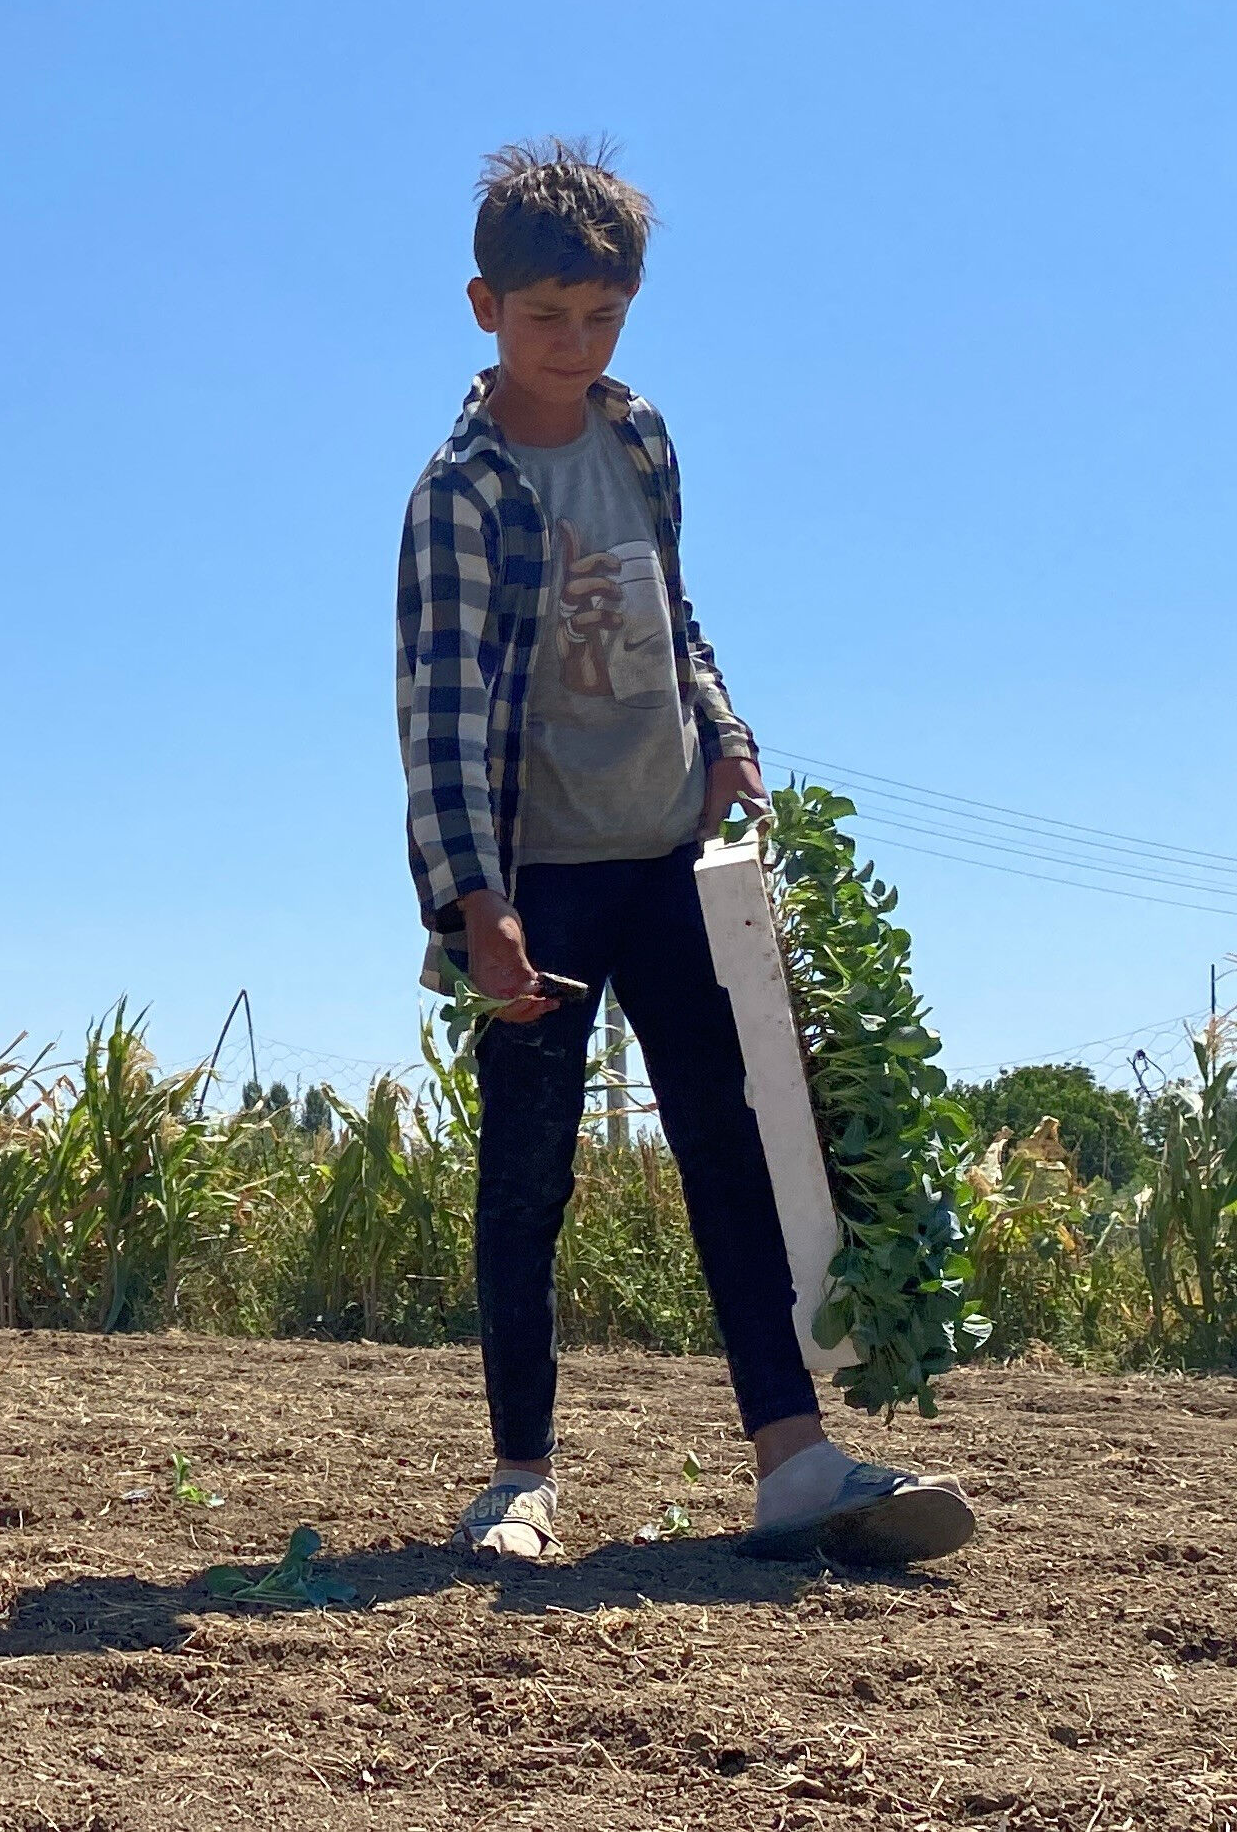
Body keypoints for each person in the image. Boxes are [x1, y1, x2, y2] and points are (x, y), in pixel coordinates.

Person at [394, 139, 974, 1568]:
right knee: (527, 1177)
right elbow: (439, 718)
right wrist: (477, 903)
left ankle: (792, 1458)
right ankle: (519, 1476)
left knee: (730, 1145)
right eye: (546, 319)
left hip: (668, 858)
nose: (574, 347)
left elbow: (680, 610)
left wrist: (725, 729)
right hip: (542, 883)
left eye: (602, 318)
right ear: (483, 308)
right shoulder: (460, 495)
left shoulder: (640, 437)